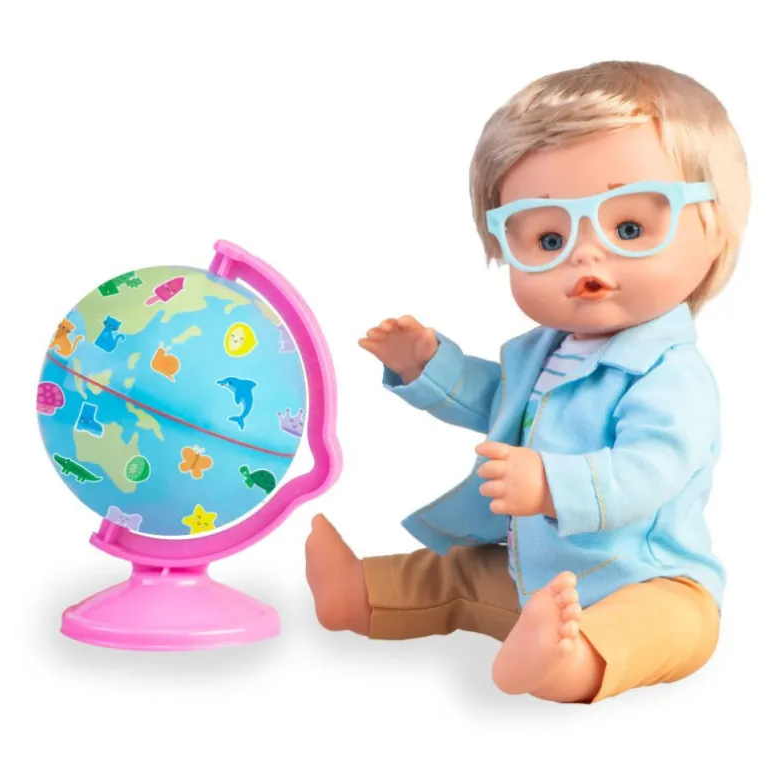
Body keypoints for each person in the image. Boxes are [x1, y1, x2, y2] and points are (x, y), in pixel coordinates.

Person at [306, 60, 750, 703]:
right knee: (459, 573)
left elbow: (652, 468)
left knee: (668, 626)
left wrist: (549, 485)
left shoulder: (668, 373)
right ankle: (362, 595)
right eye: (547, 237)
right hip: (535, 570)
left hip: (646, 577)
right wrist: (425, 365)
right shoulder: (544, 353)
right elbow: (497, 401)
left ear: (714, 230)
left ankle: (569, 663)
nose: (585, 255)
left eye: (629, 227)